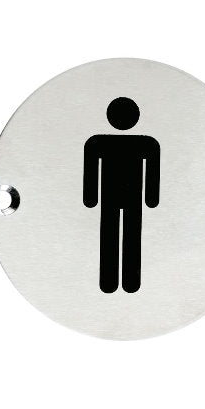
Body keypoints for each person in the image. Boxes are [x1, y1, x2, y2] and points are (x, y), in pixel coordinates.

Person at [83, 97, 160, 293]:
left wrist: (90, 198)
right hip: (130, 199)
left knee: (113, 236)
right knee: (127, 236)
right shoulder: (147, 143)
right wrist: (151, 198)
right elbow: (152, 173)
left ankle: (112, 282)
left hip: (112, 198)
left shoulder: (98, 142)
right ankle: (127, 283)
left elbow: (91, 172)